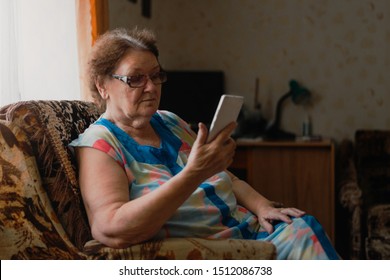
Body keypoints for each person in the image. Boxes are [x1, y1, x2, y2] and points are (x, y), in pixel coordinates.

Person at [69, 27, 339, 260]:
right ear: (102, 86)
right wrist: (193, 173)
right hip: (213, 253)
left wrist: (263, 207)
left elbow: (227, 178)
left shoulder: (169, 122)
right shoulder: (100, 145)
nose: (151, 87)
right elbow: (110, 229)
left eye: (155, 75)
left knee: (303, 225)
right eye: (135, 78)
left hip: (248, 233)